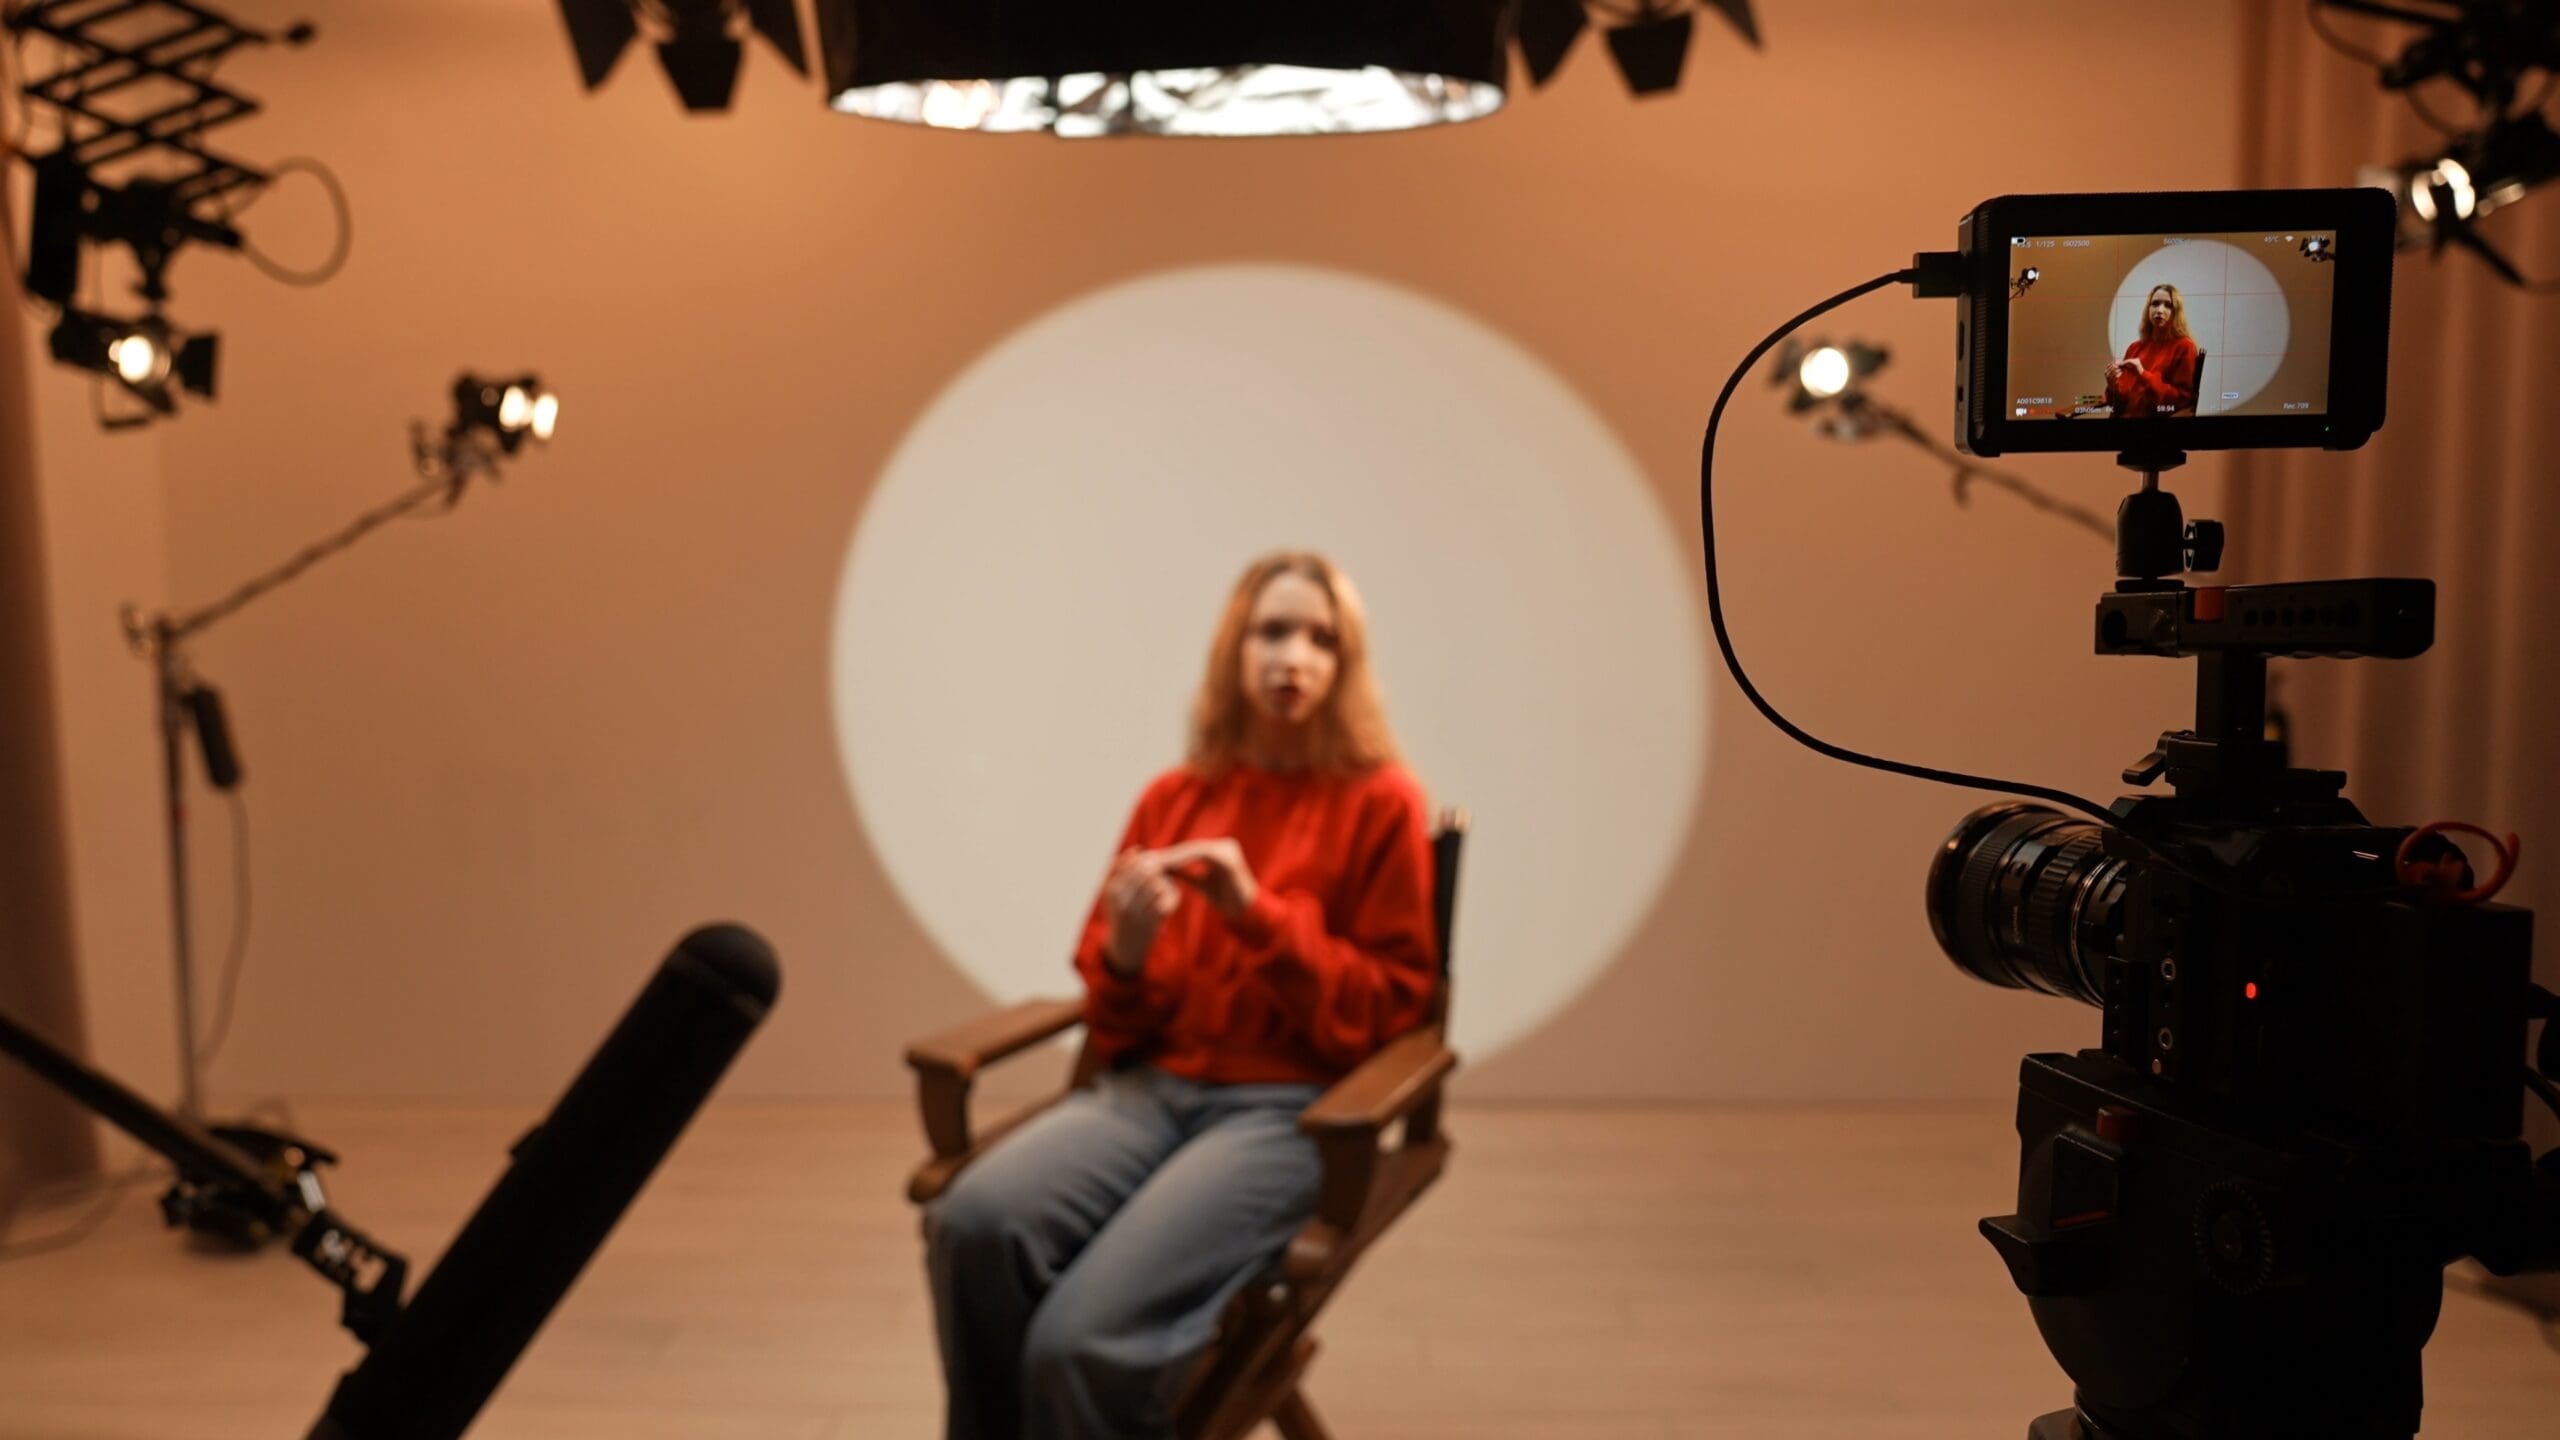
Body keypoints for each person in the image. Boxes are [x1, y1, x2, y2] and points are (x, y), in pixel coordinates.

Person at [922, 551, 1439, 1440]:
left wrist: (1255, 914)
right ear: (1234, 648)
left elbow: (1390, 1010)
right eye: (1272, 631)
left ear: (1348, 662)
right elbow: (1115, 1017)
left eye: (1321, 639)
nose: (1294, 657)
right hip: (1150, 1092)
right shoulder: (1174, 797)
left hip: (1288, 1113)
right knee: (972, 1222)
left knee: (1077, 1344)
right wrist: (1125, 957)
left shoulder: (1382, 802)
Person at [2104, 283, 2202, 418]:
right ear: (2148, 309)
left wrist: (2143, 374)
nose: (2160, 310)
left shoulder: (2185, 347)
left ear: (2176, 312)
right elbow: (2121, 402)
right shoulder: (2134, 347)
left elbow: (2182, 400)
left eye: (2168, 305)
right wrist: (2113, 387)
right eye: (2155, 304)